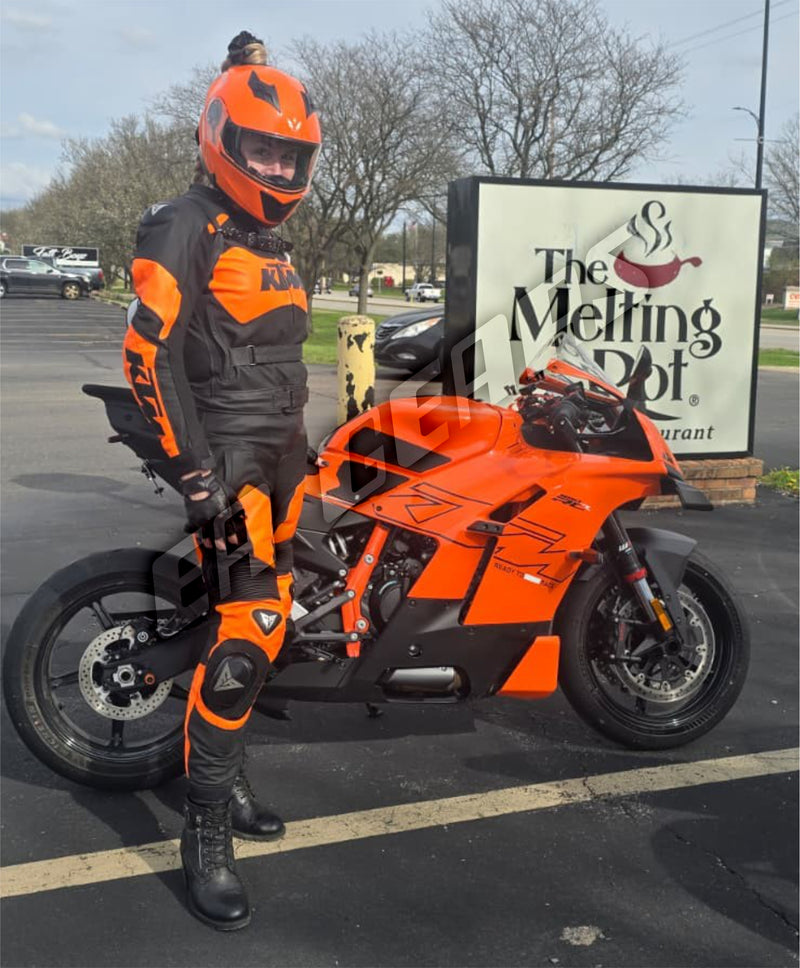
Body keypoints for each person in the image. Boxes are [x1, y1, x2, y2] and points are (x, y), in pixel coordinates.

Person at [122, 30, 321, 930]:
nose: (278, 165)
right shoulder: (183, 222)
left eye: (292, 152)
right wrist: (199, 479)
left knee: (275, 629)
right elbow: (145, 353)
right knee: (247, 644)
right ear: (221, 140)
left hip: (283, 462)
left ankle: (227, 778)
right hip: (229, 467)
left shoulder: (266, 238)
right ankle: (205, 833)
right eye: (264, 147)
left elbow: (277, 361)